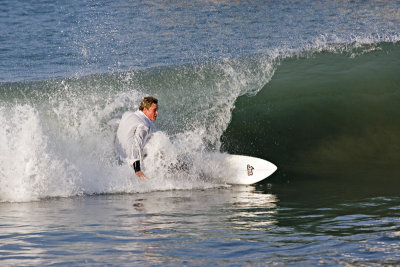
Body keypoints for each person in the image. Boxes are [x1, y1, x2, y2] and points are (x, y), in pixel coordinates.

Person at [115, 96, 158, 179]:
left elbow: (113, 122)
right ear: (145, 109)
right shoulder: (144, 126)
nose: (157, 113)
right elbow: (135, 145)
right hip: (130, 165)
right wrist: (137, 170)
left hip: (118, 157)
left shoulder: (128, 114)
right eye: (154, 110)